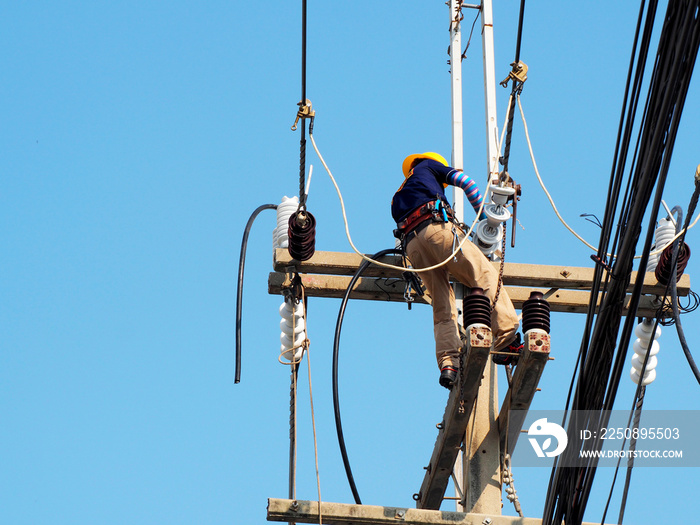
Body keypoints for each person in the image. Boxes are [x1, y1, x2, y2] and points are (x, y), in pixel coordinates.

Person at [391, 152, 521, 389]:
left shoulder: (398, 194)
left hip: (413, 247)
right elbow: (466, 182)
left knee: (442, 305)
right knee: (483, 275)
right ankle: (505, 339)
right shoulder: (429, 166)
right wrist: (485, 218)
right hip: (437, 230)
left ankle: (448, 362)